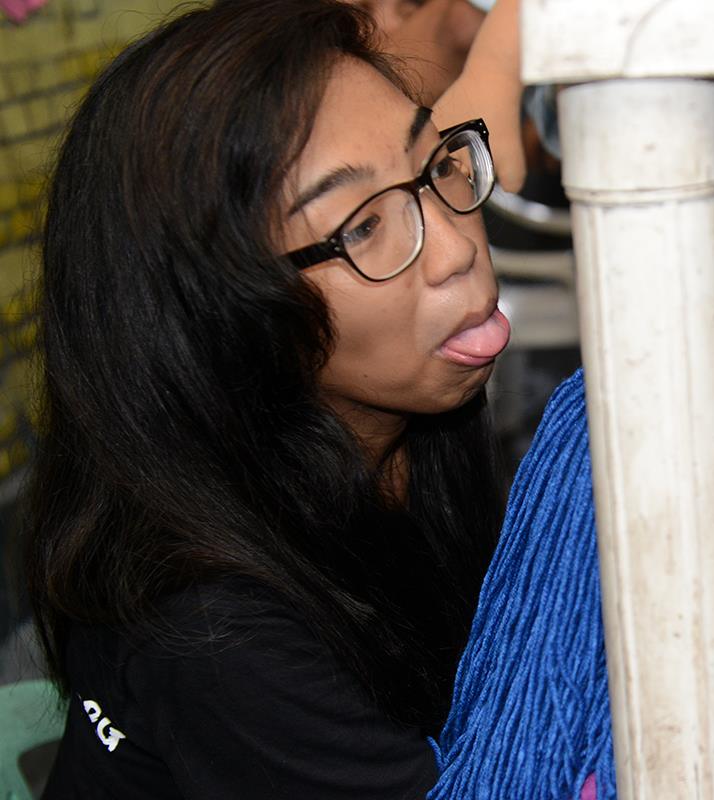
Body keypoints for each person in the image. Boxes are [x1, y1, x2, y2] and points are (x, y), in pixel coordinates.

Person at [25, 0, 515, 795]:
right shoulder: (218, 631)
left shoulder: (415, 422)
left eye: (433, 166)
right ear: (221, 313)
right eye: (363, 227)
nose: (456, 247)